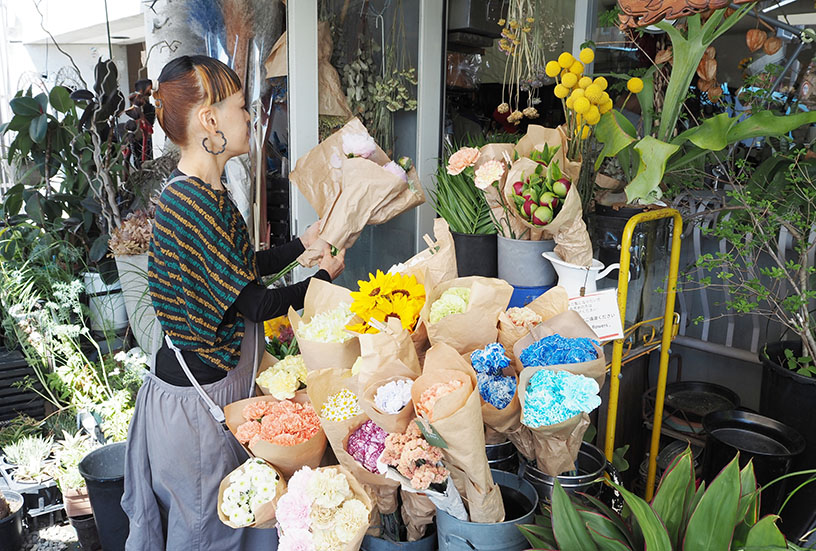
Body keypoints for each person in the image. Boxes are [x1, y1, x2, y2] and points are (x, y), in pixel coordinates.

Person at [121, 55, 345, 550]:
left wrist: (300, 246)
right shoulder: (194, 204)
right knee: (206, 535)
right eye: (242, 107)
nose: (250, 117)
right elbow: (254, 304)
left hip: (202, 393)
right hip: (195, 409)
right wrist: (322, 280)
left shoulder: (205, 194)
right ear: (210, 120)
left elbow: (239, 266)